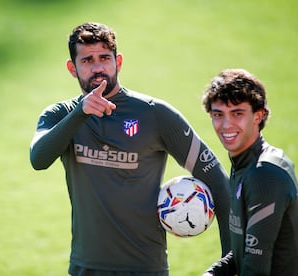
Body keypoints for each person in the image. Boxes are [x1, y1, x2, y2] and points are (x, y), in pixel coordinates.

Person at [30, 22, 231, 275]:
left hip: (145, 269)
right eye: (87, 60)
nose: (97, 67)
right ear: (72, 68)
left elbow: (220, 184)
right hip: (85, 268)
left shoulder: (155, 114)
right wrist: (81, 112)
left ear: (118, 62)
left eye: (104, 57)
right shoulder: (61, 115)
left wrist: (230, 259)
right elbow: (38, 159)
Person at [202, 69, 298, 275]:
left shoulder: (264, 174)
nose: (226, 125)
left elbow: (255, 267)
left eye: (237, 113)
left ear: (258, 115)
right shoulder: (244, 165)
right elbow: (243, 250)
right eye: (218, 115)